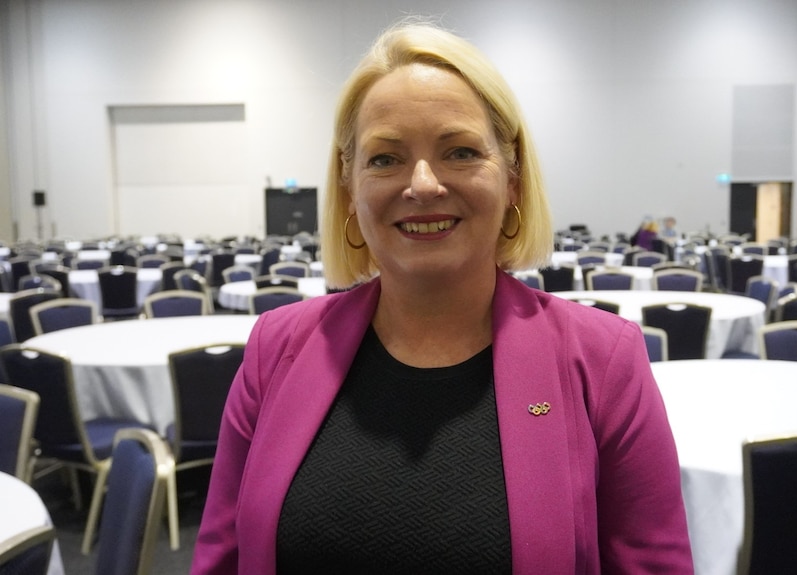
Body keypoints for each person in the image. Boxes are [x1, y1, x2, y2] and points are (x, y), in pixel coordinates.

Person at [192, 20, 693, 574]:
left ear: (514, 180)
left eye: (459, 151)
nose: (424, 184)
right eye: (385, 158)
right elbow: (222, 558)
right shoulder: (276, 351)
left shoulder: (603, 363)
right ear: (349, 189)